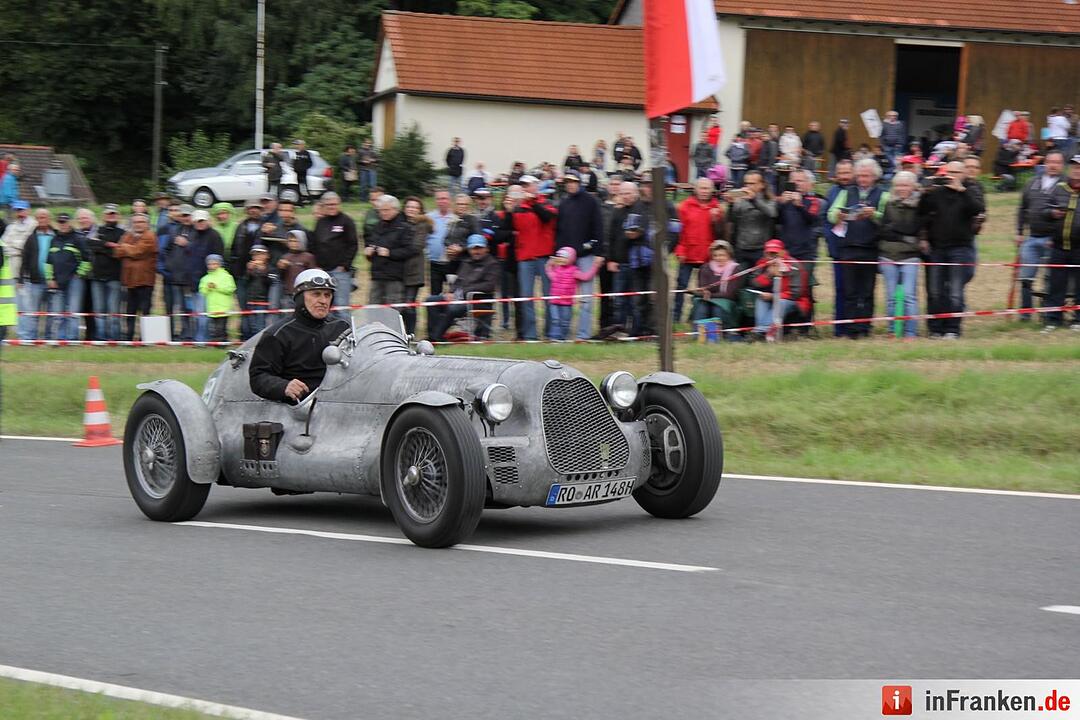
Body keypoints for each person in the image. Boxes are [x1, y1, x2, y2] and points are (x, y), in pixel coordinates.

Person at [249, 268, 351, 403]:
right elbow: (258, 377)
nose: (323, 300)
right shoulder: (278, 334)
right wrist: (283, 386)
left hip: (340, 404)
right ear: (300, 297)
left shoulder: (342, 328)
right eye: (316, 294)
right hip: (298, 410)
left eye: (327, 295)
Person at [917, 160, 985, 338]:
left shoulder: (969, 192)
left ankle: (953, 329)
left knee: (955, 290)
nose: (952, 176)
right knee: (935, 290)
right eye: (949, 172)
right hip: (938, 248)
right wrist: (925, 192)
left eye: (956, 172)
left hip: (960, 248)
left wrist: (961, 190)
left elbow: (978, 209)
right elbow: (921, 211)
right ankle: (935, 329)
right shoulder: (938, 192)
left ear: (963, 174)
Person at [554, 172, 604, 339]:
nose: (570, 184)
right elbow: (559, 231)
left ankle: (584, 334)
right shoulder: (563, 203)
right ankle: (562, 333)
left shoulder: (591, 202)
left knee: (586, 298)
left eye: (573, 181)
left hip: (586, 255)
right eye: (567, 182)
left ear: (579, 183)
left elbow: (598, 227)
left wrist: (598, 252)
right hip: (566, 259)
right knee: (562, 297)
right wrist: (558, 253)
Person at [1016, 150, 1064, 319]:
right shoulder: (1032, 183)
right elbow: (1022, 209)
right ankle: (1025, 312)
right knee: (1025, 276)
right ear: (1045, 164)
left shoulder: (1066, 185)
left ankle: (1047, 311)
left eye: (1057, 162)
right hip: (1032, 238)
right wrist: (1019, 232)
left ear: (1062, 165)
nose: (1053, 165)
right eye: (1050, 162)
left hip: (1055, 240)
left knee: (1051, 278)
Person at [425, 234, 499, 341]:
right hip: (459, 298)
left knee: (453, 308)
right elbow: (458, 281)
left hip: (478, 301)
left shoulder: (492, 264)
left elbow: (488, 286)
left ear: (486, 249)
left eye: (480, 248)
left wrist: (463, 292)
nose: (476, 251)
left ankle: (435, 338)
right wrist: (450, 292)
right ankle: (435, 335)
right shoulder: (466, 262)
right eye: (474, 248)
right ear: (469, 250)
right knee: (431, 301)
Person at [511, 175, 557, 340]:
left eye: (527, 185)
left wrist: (533, 202)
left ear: (535, 186)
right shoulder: (518, 207)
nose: (524, 188)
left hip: (544, 256)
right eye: (522, 185)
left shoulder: (546, 203)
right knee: (526, 297)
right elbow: (512, 227)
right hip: (525, 257)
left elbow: (548, 218)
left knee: (548, 296)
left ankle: (551, 332)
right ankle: (531, 334)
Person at [879, 171, 922, 339]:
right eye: (898, 185)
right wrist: (902, 234)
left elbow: (913, 228)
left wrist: (896, 230)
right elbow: (883, 230)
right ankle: (892, 329)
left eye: (905, 185)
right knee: (891, 296)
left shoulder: (919, 205)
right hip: (888, 254)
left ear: (913, 186)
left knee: (909, 295)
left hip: (910, 255)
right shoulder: (889, 204)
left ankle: (910, 332)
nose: (901, 188)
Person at [675, 178, 724, 322]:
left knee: (705, 289)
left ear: (712, 190)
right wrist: (680, 250)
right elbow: (679, 232)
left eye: (707, 188)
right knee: (681, 286)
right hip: (687, 254)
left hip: (708, 257)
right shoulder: (684, 207)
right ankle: (676, 316)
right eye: (701, 188)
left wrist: (717, 220)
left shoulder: (717, 209)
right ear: (695, 189)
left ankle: (696, 316)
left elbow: (721, 235)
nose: (704, 191)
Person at [1041, 154, 1080, 331]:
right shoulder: (1059, 189)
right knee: (1055, 284)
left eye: (1079, 167)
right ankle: (1053, 319)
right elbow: (1044, 211)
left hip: (1079, 248)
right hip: (1058, 247)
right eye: (1074, 167)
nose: (1076, 170)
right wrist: (1052, 213)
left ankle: (1077, 320)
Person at [749, 239, 810, 341]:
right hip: (768, 297)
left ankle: (759, 332)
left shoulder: (794, 265)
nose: (772, 256)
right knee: (761, 300)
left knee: (780, 303)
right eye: (769, 253)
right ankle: (762, 332)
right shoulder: (762, 263)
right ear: (765, 253)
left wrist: (773, 296)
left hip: (792, 301)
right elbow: (754, 283)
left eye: (775, 253)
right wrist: (768, 274)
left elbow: (796, 294)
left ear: (782, 252)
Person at [310, 191, 358, 319]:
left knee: (341, 307)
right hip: (323, 272)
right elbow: (314, 244)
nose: (332, 207)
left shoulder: (346, 221)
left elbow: (353, 245)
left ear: (339, 204)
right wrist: (316, 265)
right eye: (329, 204)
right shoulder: (321, 222)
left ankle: (347, 335)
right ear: (324, 206)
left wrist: (344, 265)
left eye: (334, 204)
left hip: (340, 271)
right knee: (326, 306)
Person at [821, 159, 855, 336]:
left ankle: (856, 326)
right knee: (840, 289)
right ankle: (839, 327)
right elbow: (824, 220)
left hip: (857, 248)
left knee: (855, 290)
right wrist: (829, 238)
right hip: (838, 249)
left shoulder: (859, 191)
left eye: (847, 173)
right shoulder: (832, 192)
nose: (844, 177)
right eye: (841, 173)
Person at [45, 213, 90, 341]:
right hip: (57, 280)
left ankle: (72, 339)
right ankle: (59, 339)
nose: (62, 224)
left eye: (64, 222)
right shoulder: (54, 240)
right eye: (60, 222)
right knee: (58, 313)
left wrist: (79, 274)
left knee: (73, 312)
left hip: (74, 280)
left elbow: (87, 259)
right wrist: (50, 278)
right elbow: (48, 262)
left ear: (70, 222)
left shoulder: (78, 238)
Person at [113, 214, 157, 341]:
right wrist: (129, 250)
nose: (138, 224)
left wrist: (126, 247)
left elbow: (138, 251)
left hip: (145, 281)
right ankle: (129, 337)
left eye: (141, 222)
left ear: (147, 223)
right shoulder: (128, 235)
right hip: (129, 281)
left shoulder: (150, 236)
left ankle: (145, 338)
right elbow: (117, 252)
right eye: (136, 222)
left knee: (145, 311)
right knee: (130, 312)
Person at [364, 194, 412, 307]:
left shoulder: (404, 227)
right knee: (373, 308)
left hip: (394, 276)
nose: (383, 213)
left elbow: (409, 250)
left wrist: (390, 253)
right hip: (376, 274)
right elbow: (371, 242)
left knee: (392, 311)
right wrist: (368, 251)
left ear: (395, 209)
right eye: (380, 211)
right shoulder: (377, 226)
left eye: (386, 210)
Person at [86, 204, 125, 340]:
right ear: (104, 216)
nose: (111, 215)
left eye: (113, 213)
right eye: (109, 213)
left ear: (118, 215)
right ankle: (100, 339)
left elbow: (120, 251)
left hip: (115, 277)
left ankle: (115, 338)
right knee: (99, 311)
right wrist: (108, 245)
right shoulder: (97, 230)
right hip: (97, 277)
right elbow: (90, 244)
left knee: (113, 311)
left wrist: (101, 246)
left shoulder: (122, 232)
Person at [17, 209, 56, 340]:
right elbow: (24, 259)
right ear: (36, 219)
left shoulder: (56, 236)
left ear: (49, 218)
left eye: (44, 217)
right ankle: (30, 338)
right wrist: (21, 278)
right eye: (39, 217)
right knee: (32, 312)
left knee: (51, 312)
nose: (42, 219)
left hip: (53, 281)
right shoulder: (31, 237)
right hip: (35, 281)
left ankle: (49, 338)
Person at [545, 247, 599, 341]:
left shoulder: (574, 271)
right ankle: (554, 337)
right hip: (554, 301)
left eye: (564, 257)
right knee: (555, 320)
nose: (561, 259)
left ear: (571, 259)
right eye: (560, 257)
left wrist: (595, 267)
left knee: (565, 321)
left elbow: (586, 277)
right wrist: (550, 263)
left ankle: (563, 337)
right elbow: (549, 271)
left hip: (567, 303)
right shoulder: (556, 270)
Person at [725, 170, 777, 267]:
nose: (748, 186)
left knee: (757, 281)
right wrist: (731, 205)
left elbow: (772, 213)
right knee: (740, 280)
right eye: (746, 183)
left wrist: (753, 200)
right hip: (742, 248)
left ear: (762, 185)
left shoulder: (769, 199)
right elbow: (732, 219)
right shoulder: (740, 200)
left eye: (752, 183)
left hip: (761, 249)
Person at [690, 240, 743, 332]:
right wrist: (703, 292)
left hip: (727, 300)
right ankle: (698, 335)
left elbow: (729, 294)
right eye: (715, 255)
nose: (718, 258)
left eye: (722, 255)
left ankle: (720, 335)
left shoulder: (736, 269)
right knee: (701, 306)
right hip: (707, 299)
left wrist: (710, 295)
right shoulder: (705, 267)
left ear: (729, 255)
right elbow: (702, 287)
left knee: (717, 308)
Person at [401, 196, 432, 335]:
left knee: (409, 304)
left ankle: (410, 333)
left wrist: (397, 250)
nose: (411, 210)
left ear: (420, 210)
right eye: (409, 206)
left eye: (415, 207)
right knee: (399, 303)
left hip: (414, 270)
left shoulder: (422, 225)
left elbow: (417, 246)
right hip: (400, 270)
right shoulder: (400, 222)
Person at [199, 253, 236, 342]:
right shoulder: (205, 278)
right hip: (211, 308)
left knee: (221, 327)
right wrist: (207, 288)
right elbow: (202, 290)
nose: (212, 266)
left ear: (220, 264)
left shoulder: (226, 276)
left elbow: (231, 288)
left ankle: (222, 343)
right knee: (214, 328)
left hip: (223, 307)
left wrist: (217, 287)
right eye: (209, 264)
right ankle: (216, 342)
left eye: (214, 263)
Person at [278, 230, 317, 310]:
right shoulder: (285, 257)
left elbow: (312, 276)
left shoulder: (308, 257)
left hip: (303, 294)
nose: (293, 243)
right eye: (291, 241)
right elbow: (281, 278)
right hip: (288, 294)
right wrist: (281, 268)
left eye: (296, 241)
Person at [245, 245, 272, 335]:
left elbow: (270, 283)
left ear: (266, 255)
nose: (257, 257)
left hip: (263, 301)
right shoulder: (251, 268)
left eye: (260, 254)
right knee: (252, 325)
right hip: (251, 301)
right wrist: (249, 271)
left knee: (260, 326)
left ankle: (260, 344)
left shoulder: (269, 268)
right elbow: (246, 282)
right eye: (255, 255)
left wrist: (263, 271)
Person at [291, 139, 314, 204]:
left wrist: (305, 168)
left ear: (302, 145)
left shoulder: (306, 153)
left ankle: (307, 199)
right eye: (297, 145)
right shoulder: (295, 153)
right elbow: (293, 162)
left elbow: (310, 163)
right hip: (297, 173)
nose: (297, 146)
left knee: (303, 186)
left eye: (298, 145)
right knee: (298, 186)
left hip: (303, 173)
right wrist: (294, 168)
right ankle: (300, 200)